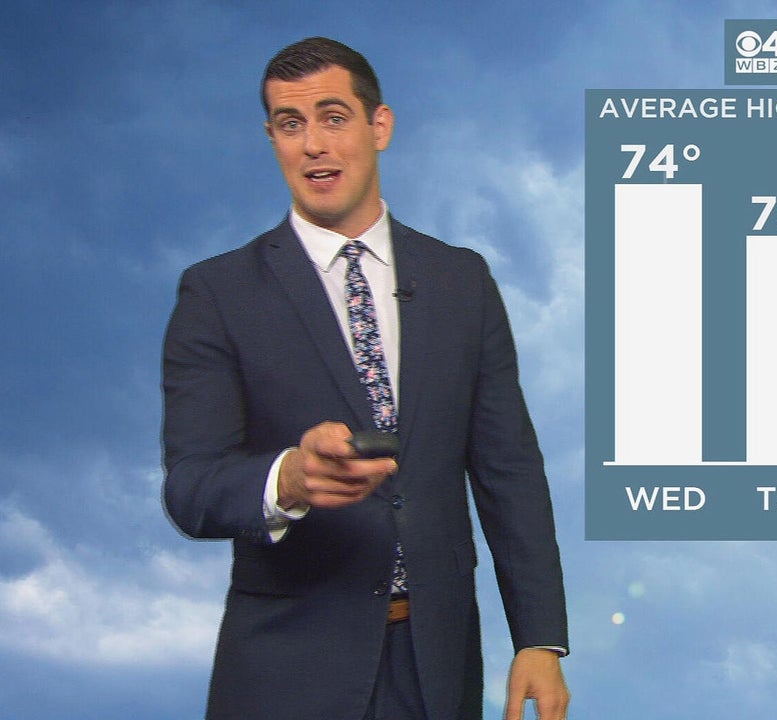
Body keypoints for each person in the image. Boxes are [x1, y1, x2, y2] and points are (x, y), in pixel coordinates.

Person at [161, 37, 569, 720]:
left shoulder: (462, 281)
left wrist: (539, 638)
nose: (313, 144)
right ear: (272, 138)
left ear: (380, 126)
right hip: (285, 674)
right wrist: (288, 479)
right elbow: (190, 488)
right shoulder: (217, 293)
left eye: (333, 117)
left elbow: (510, 471)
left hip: (435, 670)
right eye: (290, 124)